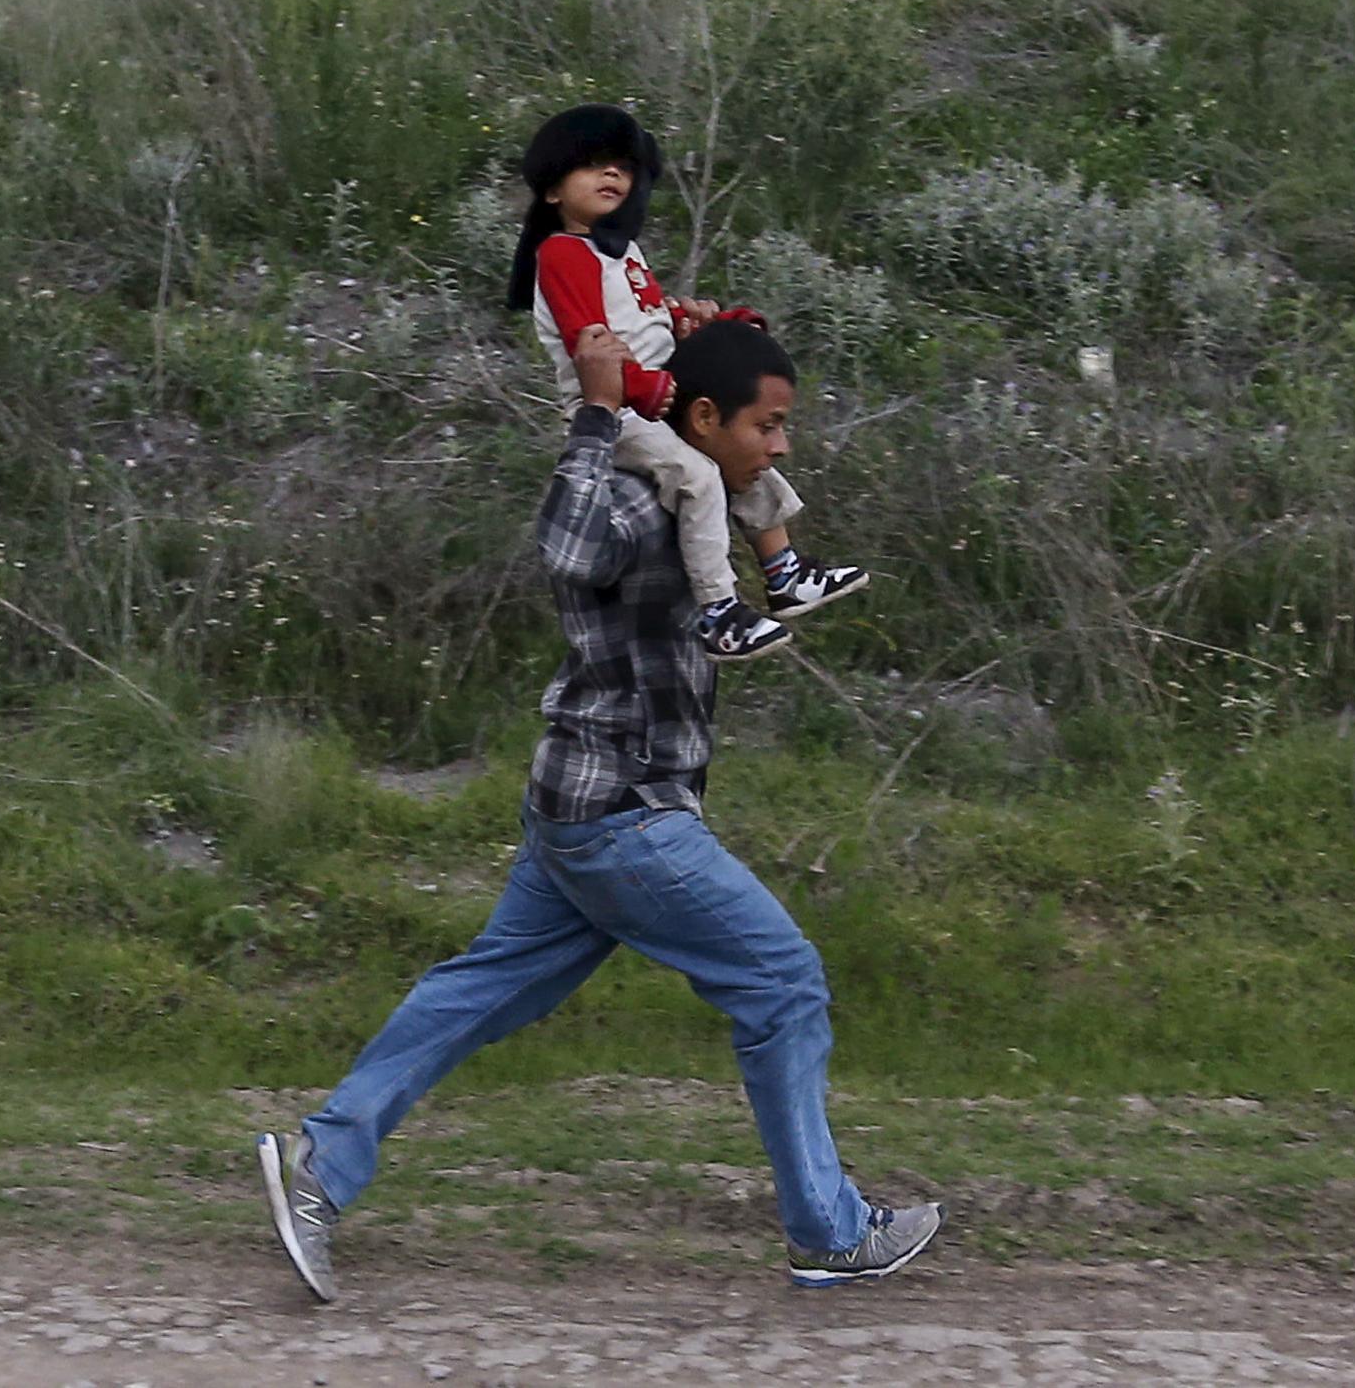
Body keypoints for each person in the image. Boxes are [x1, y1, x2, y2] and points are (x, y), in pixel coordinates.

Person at [254, 318, 941, 1298]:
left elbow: (761, 545)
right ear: (704, 420)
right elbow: (564, 545)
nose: (783, 444)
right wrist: (595, 408)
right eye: (770, 424)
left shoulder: (697, 492)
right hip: (622, 814)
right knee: (784, 981)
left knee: (480, 991)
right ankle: (827, 1232)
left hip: (582, 803)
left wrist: (710, 332)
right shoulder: (627, 493)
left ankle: (323, 1164)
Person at [506, 103, 867, 662]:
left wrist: (701, 330)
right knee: (699, 475)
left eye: (622, 169)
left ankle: (784, 571)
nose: (611, 177)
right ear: (553, 190)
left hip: (658, 395)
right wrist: (636, 386)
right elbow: (590, 341)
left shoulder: (623, 251)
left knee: (746, 457)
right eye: (593, 166)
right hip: (614, 408)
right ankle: (718, 610)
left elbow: (647, 316)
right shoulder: (561, 253)